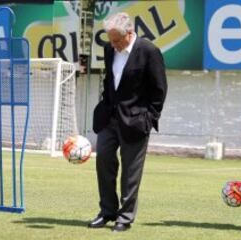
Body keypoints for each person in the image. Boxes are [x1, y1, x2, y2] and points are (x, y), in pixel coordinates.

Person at [89, 12, 167, 232]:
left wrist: (149, 118)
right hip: (109, 118)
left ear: (130, 33)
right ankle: (107, 212)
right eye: (110, 40)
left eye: (116, 40)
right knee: (103, 160)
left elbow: (159, 89)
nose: (112, 44)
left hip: (136, 122)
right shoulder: (109, 49)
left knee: (131, 171)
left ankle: (125, 218)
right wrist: (105, 105)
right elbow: (110, 81)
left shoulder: (149, 51)